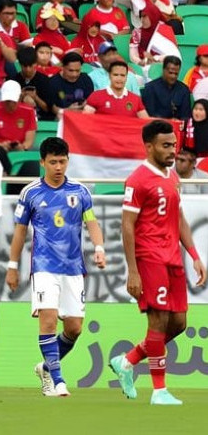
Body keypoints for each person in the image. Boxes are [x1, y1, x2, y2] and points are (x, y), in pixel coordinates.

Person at [110, 120, 207, 405]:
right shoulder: (138, 179)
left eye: (173, 146)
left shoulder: (171, 176)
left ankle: (127, 361)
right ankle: (159, 391)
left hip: (172, 258)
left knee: (178, 324)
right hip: (149, 257)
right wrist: (133, 271)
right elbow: (127, 225)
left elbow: (178, 218)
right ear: (149, 146)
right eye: (166, 146)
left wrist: (195, 256)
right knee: (159, 319)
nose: (172, 152)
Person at [6, 136, 106, 397]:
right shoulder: (30, 193)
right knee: (48, 322)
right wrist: (12, 266)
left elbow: (92, 223)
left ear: (68, 161)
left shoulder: (80, 192)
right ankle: (59, 380)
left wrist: (99, 248)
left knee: (74, 328)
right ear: (42, 163)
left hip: (74, 268)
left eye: (62, 161)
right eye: (53, 162)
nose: (58, 167)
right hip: (44, 267)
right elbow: (19, 233)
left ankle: (46, 368)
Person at [0, 80, 37, 151]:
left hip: (20, 148)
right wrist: (0, 146)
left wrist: (22, 146)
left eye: (13, 101)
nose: (10, 105)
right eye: (8, 101)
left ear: (20, 97)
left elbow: (29, 139)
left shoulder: (29, 111)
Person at [85, 61, 149, 118]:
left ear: (126, 77)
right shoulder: (96, 96)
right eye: (115, 75)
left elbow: (146, 122)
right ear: (110, 76)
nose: (119, 78)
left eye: (122, 75)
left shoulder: (136, 99)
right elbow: (85, 120)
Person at [13, 46, 54, 120]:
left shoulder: (45, 81)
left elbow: (48, 109)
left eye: (30, 66)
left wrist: (35, 98)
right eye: (25, 66)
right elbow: (10, 108)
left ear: (36, 63)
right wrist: (21, 97)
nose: (28, 69)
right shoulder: (14, 81)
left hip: (42, 119)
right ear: (20, 64)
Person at [49, 51, 94, 116]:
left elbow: (91, 103)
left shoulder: (86, 79)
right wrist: (67, 110)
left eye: (77, 71)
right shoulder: (52, 83)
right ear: (62, 67)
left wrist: (86, 105)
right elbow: (51, 108)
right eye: (71, 70)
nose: (74, 74)